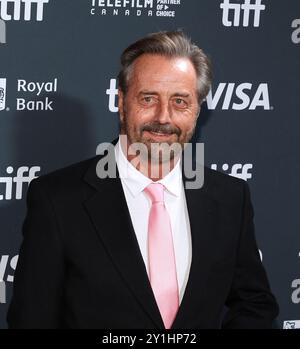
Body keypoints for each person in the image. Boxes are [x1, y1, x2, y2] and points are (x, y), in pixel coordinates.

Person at [7, 30, 279, 329]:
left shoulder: (230, 197)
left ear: (197, 109)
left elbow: (254, 304)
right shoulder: (58, 200)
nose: (164, 117)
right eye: (148, 98)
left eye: (180, 101)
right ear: (121, 101)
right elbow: (32, 320)